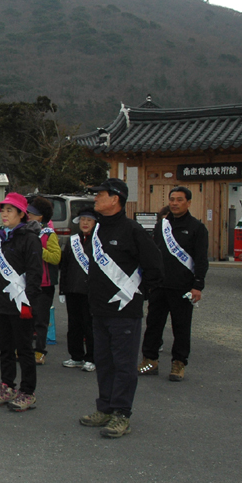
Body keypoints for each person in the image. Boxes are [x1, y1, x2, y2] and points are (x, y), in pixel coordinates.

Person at [78, 178, 163, 438]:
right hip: (99, 309)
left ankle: (121, 414)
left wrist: (139, 294)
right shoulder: (98, 229)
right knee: (103, 362)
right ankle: (104, 407)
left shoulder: (133, 230)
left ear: (115, 199)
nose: (95, 199)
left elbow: (155, 266)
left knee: (124, 364)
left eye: (99, 194)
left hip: (124, 311)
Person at [139, 186, 209, 382]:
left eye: (179, 199)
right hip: (159, 286)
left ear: (188, 202)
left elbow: (201, 260)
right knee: (153, 324)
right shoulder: (162, 226)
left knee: (181, 327)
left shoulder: (197, 228)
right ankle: (150, 360)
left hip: (183, 287)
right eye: (172, 199)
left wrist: (198, 285)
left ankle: (178, 364)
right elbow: (153, 253)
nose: (175, 203)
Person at [0, 193, 42, 412]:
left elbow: (35, 274)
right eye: (3, 210)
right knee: (5, 348)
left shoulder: (30, 238)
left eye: (9, 210)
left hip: (21, 302)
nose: (4, 214)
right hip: (2, 301)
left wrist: (29, 302)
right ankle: (7, 386)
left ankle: (28, 391)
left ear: (21, 214)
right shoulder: (0, 238)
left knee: (24, 349)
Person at [60, 208, 97, 372]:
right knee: (74, 325)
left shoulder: (98, 241)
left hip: (90, 291)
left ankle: (92, 357)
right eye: (83, 220)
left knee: (90, 325)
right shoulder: (73, 240)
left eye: (89, 220)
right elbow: (65, 266)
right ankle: (76, 356)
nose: (85, 223)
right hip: (72, 289)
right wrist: (62, 289)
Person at [26, 196, 61, 365]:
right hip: (28, 282)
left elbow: (55, 258)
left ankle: (40, 351)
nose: (28, 216)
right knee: (26, 318)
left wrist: (39, 250)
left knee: (41, 320)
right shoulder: (25, 231)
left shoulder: (49, 234)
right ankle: (25, 349)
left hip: (45, 284)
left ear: (40, 217)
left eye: (32, 214)